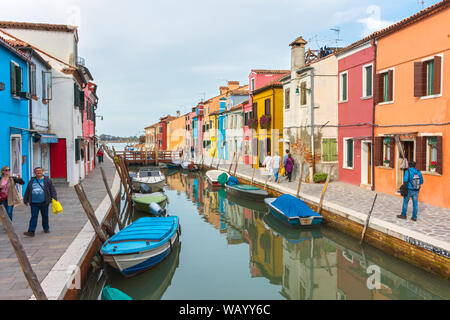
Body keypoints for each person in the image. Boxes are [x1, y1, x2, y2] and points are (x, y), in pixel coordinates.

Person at [23, 167, 57, 237]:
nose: (38, 172)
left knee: (45, 216)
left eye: (40, 171)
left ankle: (46, 228)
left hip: (44, 202)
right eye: (36, 171)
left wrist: (54, 198)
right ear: (34, 173)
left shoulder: (47, 180)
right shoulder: (32, 181)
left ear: (42, 172)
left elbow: (52, 189)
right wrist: (25, 200)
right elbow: (28, 190)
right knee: (34, 216)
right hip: (34, 203)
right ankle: (31, 231)